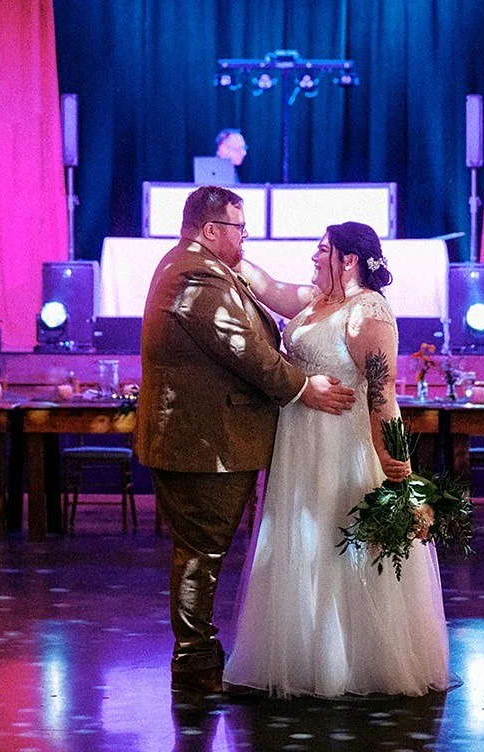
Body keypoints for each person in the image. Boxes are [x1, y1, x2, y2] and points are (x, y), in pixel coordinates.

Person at [134, 185, 357, 695]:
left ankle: (199, 657)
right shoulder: (196, 273)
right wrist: (305, 388)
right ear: (212, 230)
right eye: (240, 228)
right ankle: (195, 665)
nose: (246, 237)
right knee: (201, 552)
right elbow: (246, 351)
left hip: (206, 441)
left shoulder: (203, 267)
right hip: (202, 445)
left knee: (201, 551)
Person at [224, 221, 452, 698]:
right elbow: (269, 289)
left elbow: (382, 396)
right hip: (299, 444)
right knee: (300, 543)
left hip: (341, 449)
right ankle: (305, 655)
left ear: (349, 260)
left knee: (338, 537)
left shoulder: (368, 312)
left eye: (322, 250)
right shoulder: (315, 301)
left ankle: (348, 661)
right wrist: (224, 249)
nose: (312, 258)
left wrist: (400, 474)